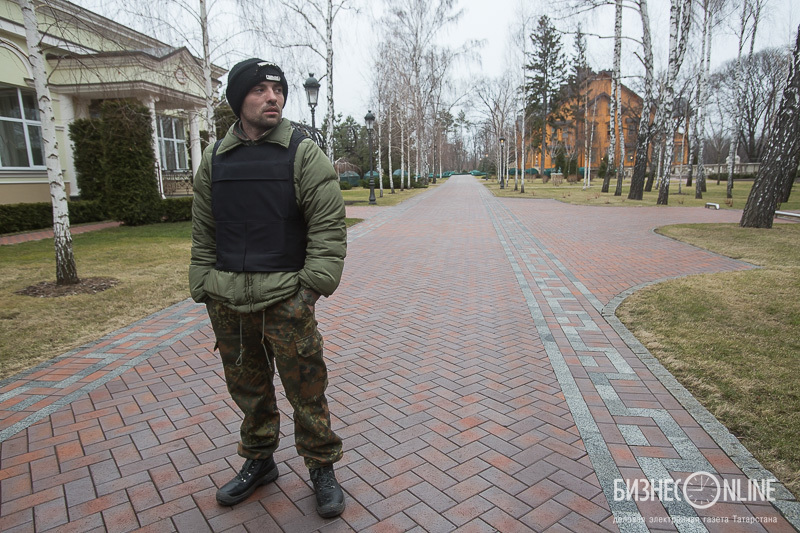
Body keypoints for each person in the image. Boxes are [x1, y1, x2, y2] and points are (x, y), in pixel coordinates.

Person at [189, 58, 347, 518]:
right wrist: (203, 285)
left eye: (277, 89)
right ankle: (259, 461)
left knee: (306, 389)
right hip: (228, 302)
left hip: (286, 300)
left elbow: (328, 226)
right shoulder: (215, 158)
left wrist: (310, 289)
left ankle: (321, 467)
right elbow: (204, 229)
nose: (272, 97)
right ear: (240, 100)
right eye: (259, 89)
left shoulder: (302, 152)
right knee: (248, 388)